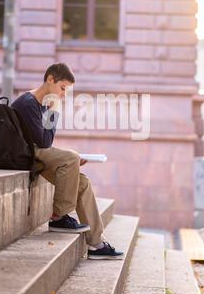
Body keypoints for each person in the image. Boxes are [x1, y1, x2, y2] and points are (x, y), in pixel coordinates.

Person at [12, 62, 123, 260]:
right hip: (24, 154)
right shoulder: (29, 103)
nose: (64, 94)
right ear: (50, 79)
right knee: (71, 157)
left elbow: (45, 141)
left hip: (35, 152)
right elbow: (45, 142)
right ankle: (59, 217)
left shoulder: (39, 103)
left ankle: (97, 244)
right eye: (62, 88)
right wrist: (54, 109)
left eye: (66, 90)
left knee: (83, 183)